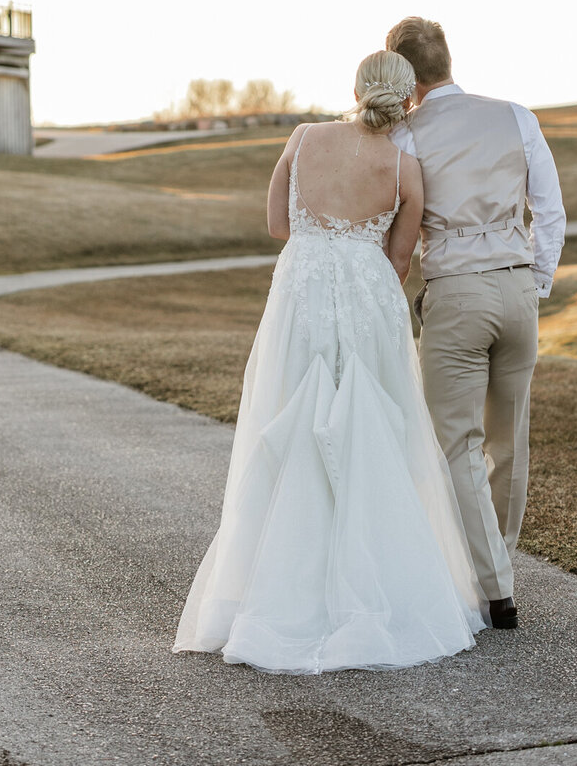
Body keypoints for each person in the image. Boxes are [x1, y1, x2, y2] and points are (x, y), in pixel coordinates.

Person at [174, 50, 485, 674]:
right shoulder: (405, 166)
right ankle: (376, 585)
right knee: (372, 426)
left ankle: (279, 588)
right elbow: (401, 257)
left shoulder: (305, 137)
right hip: (370, 294)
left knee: (290, 418)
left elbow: (276, 224)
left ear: (355, 87)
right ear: (408, 99)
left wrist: (323, 246)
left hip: (303, 288)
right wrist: (358, 260)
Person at [386, 17, 566, 632]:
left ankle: (491, 587)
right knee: (509, 438)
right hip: (518, 288)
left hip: (457, 295)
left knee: (457, 442)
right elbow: (550, 207)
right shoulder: (516, 116)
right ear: (448, 59)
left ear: (404, 77)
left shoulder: (405, 136)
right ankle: (500, 576)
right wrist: (535, 282)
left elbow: (398, 225)